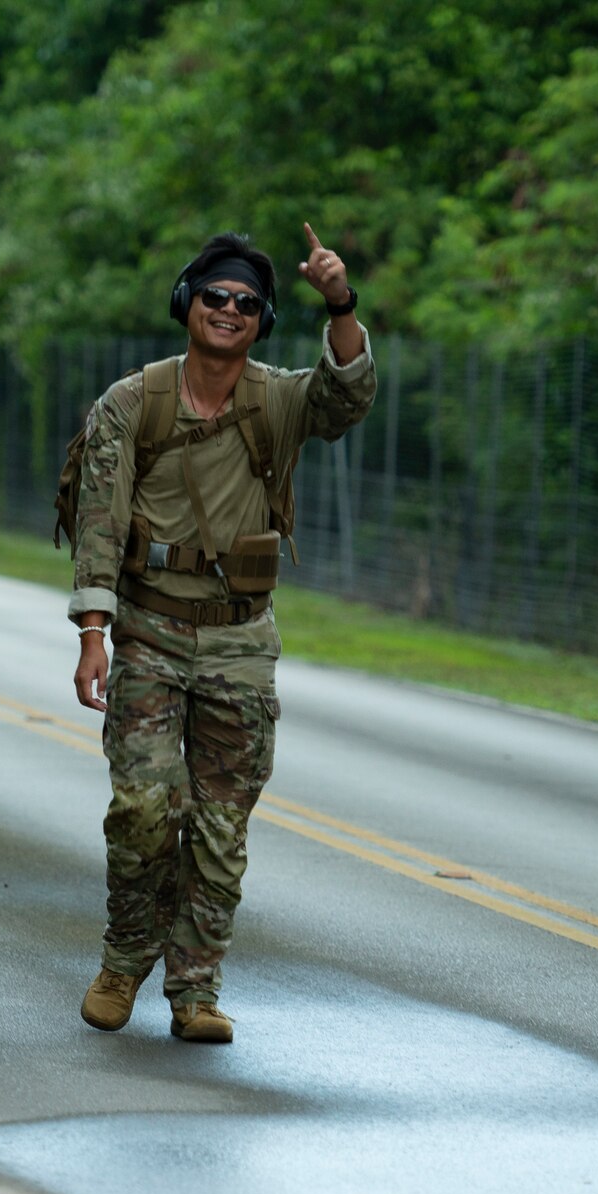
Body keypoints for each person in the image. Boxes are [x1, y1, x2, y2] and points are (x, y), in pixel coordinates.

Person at [67, 225, 375, 1042]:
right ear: (186, 304)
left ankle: (195, 988)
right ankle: (124, 956)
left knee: (219, 823)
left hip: (240, 640)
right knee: (141, 806)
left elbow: (347, 395)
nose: (229, 310)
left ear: (262, 319)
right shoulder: (133, 402)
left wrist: (340, 302)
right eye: (215, 296)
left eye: (245, 302)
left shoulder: (276, 398)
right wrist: (94, 632)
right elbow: (99, 521)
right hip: (148, 629)